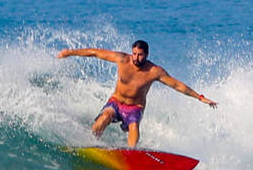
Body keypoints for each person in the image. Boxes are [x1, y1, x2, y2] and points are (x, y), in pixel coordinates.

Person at [56, 40, 217, 147]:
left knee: (134, 126)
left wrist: (200, 98)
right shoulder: (122, 59)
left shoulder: (155, 71)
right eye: (134, 53)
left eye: (139, 54)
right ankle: (90, 142)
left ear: (146, 55)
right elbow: (94, 52)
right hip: (116, 102)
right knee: (105, 116)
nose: (135, 57)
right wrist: (69, 52)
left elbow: (177, 85)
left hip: (135, 107)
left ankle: (131, 154)